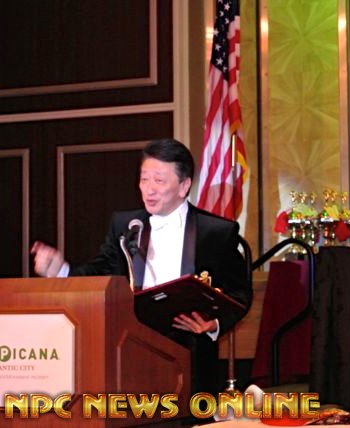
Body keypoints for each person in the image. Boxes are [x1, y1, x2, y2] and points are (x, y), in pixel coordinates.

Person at [31, 138, 252, 393]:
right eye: (144, 179)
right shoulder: (125, 226)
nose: (149, 189)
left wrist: (214, 324)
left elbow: (240, 294)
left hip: (190, 351)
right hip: (130, 345)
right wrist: (61, 271)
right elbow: (100, 273)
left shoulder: (215, 232)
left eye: (159, 180)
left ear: (184, 186)